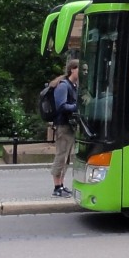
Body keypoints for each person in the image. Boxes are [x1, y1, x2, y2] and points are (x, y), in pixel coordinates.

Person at [51, 59, 79, 197]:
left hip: (70, 126)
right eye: (81, 69)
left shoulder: (73, 86)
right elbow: (61, 106)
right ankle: (56, 187)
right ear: (73, 69)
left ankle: (61, 185)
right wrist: (77, 107)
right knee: (61, 155)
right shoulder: (63, 86)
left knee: (67, 157)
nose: (83, 73)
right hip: (63, 126)